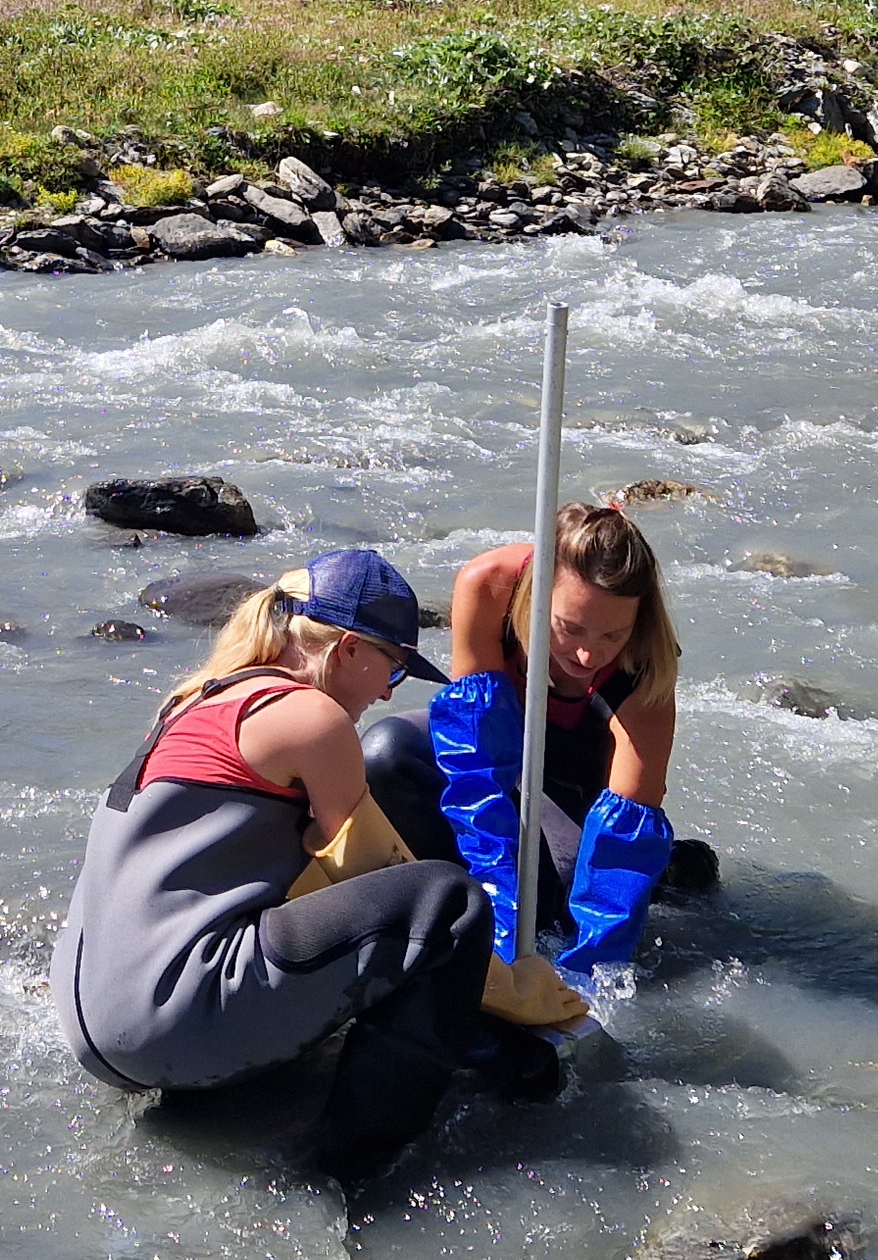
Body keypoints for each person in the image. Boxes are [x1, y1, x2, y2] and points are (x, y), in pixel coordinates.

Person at [53, 549, 558, 1181]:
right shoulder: (310, 717)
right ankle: (361, 1162)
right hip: (165, 1023)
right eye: (392, 670)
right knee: (448, 902)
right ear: (347, 648)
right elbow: (384, 882)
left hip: (94, 1025)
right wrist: (515, 998)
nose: (384, 692)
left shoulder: (194, 700)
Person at [360, 499, 696, 984]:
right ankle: (436, 907)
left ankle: (673, 869)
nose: (587, 653)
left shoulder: (645, 669)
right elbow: (473, 768)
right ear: (538, 595)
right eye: (570, 627)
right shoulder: (489, 586)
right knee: (386, 754)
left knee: (557, 906)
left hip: (576, 792)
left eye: (611, 635)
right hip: (497, 753)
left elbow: (624, 843)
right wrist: (497, 937)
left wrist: (583, 983)